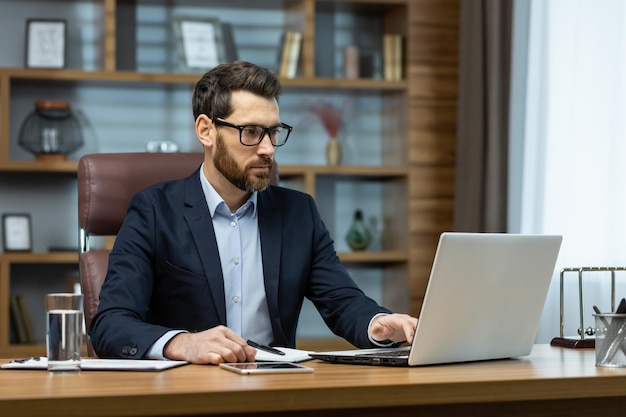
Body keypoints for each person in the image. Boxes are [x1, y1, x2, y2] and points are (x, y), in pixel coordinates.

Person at [90, 61, 417, 364]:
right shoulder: (154, 210)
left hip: (277, 392)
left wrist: (379, 324)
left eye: (273, 132)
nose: (268, 149)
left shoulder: (298, 212)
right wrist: (182, 343)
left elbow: (343, 301)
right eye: (251, 132)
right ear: (206, 131)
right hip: (187, 391)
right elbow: (111, 324)